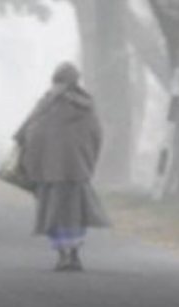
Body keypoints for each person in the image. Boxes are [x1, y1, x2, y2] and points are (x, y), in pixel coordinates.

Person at [15, 61, 109, 271]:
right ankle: (73, 254)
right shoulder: (87, 105)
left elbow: (26, 133)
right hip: (77, 171)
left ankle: (64, 255)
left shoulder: (47, 104)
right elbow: (96, 137)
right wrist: (87, 161)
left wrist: (30, 161)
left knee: (54, 213)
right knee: (74, 214)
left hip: (50, 172)